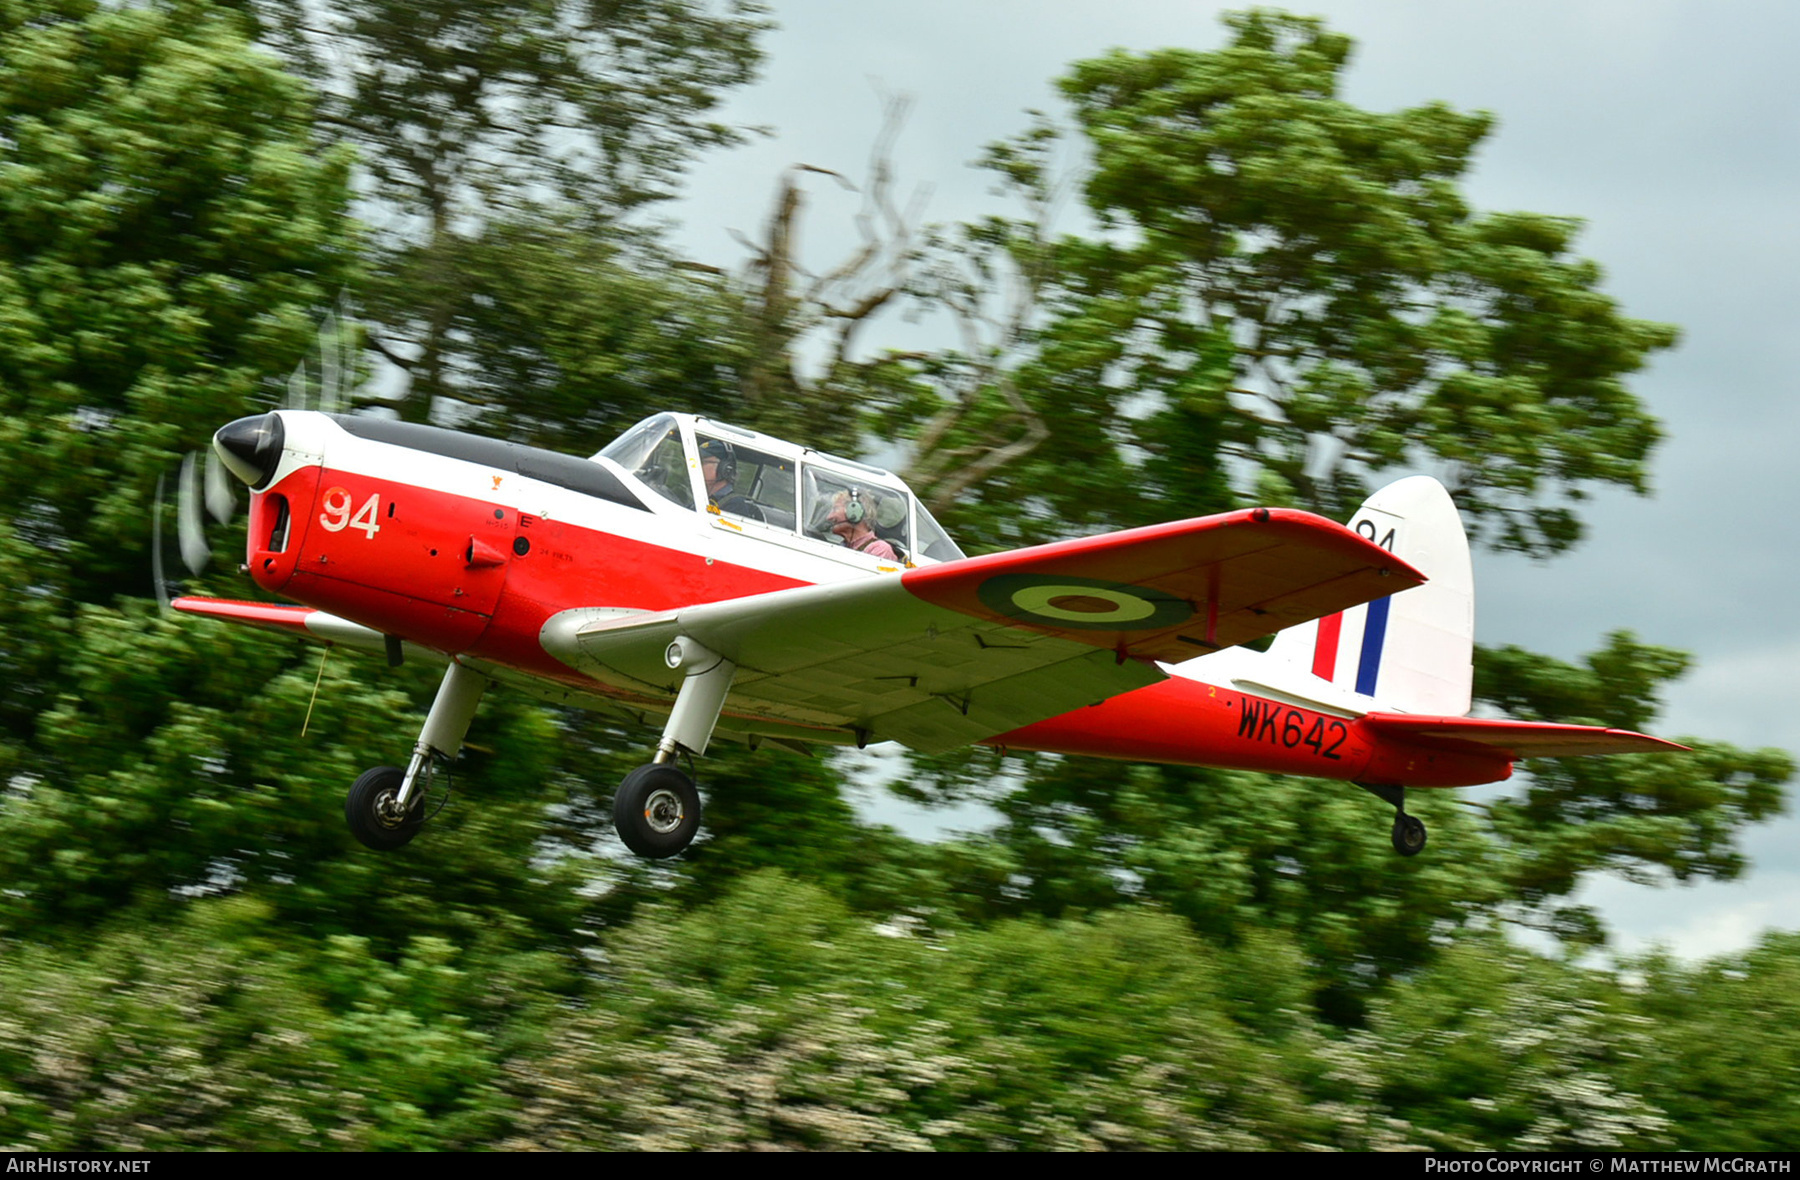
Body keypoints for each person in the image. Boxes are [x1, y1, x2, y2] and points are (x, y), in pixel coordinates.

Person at [698, 437, 763, 521]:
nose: (697, 466)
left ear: (725, 468)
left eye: (704, 462)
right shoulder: (702, 497)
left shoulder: (735, 506)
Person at [827, 489, 898, 560]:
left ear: (854, 512)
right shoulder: (844, 545)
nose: (829, 517)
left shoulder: (879, 550)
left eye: (835, 509)